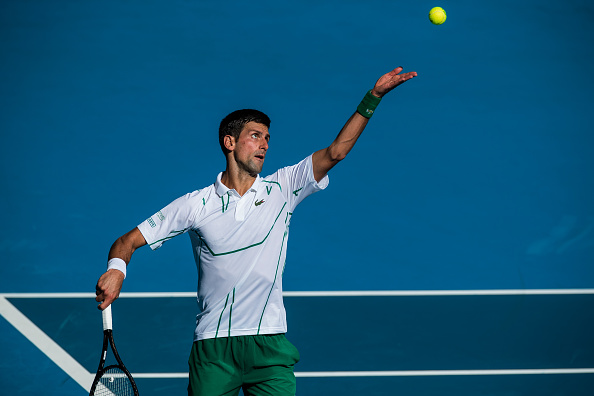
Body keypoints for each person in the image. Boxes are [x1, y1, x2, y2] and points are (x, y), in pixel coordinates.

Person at [95, 66, 417, 396]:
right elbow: (127, 241)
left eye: (266, 138)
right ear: (229, 142)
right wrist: (116, 270)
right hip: (213, 348)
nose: (264, 145)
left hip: (269, 347)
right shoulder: (195, 205)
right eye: (255, 136)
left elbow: (337, 152)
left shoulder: (284, 187)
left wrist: (373, 97)